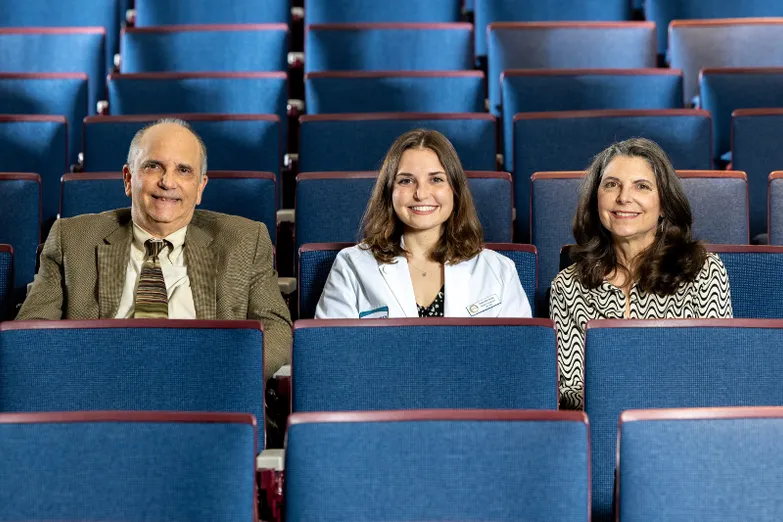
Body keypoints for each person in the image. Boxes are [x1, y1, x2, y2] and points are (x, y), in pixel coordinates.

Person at [16, 118, 292, 381]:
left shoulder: (244, 240)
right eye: (153, 166)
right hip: (98, 393)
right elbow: (31, 334)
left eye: (183, 170)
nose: (168, 182)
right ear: (128, 178)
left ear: (199, 188)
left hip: (207, 394)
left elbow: (276, 330)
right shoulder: (73, 239)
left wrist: (218, 373)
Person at [550, 138, 733, 410]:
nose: (624, 197)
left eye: (642, 186)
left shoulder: (702, 270)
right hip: (601, 429)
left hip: (685, 425)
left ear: (663, 204)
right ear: (595, 198)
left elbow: (718, 370)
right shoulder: (567, 286)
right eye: (611, 184)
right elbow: (569, 389)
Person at [315, 129, 532, 319]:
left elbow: (517, 356)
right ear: (389, 191)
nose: (420, 194)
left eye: (436, 179)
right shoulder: (351, 265)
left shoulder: (499, 270)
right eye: (406, 181)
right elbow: (330, 355)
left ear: (455, 190)